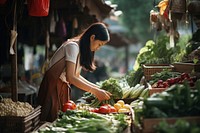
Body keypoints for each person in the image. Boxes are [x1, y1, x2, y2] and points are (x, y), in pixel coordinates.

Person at [37, 22, 112, 122]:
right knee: (49, 121)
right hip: (52, 86)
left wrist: (97, 88)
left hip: (60, 87)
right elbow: (71, 77)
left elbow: (76, 75)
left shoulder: (79, 49)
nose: (98, 48)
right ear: (92, 37)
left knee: (59, 120)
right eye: (99, 44)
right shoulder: (73, 47)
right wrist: (94, 91)